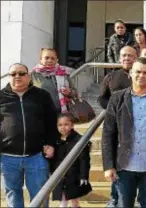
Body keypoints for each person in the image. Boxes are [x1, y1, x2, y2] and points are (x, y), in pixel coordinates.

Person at [101, 58, 146, 207]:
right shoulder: (117, 98)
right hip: (124, 166)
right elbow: (108, 133)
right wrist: (108, 165)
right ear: (131, 73)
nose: (141, 75)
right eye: (138, 71)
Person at [0, 63, 59, 207]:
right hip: (7, 158)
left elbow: (52, 122)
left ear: (28, 76)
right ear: (8, 77)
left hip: (36, 156)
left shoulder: (42, 96)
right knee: (13, 195)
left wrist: (51, 143)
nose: (17, 77)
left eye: (21, 73)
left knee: (40, 195)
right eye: (13, 74)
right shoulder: (1, 97)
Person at [52, 113, 92, 208]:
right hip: (60, 177)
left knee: (74, 201)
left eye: (66, 124)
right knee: (63, 201)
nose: (63, 127)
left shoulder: (79, 140)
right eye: (60, 125)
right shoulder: (55, 140)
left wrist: (84, 176)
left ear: (72, 125)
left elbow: (84, 160)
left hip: (74, 176)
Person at [31, 48, 77, 113]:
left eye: (53, 58)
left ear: (56, 60)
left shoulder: (63, 73)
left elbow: (75, 93)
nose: (50, 60)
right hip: (41, 113)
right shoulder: (33, 75)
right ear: (41, 60)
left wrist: (69, 92)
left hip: (62, 114)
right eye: (46, 58)